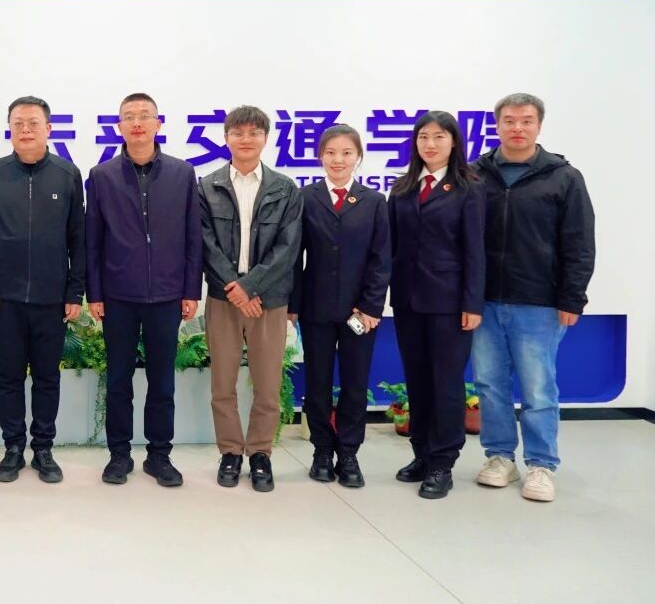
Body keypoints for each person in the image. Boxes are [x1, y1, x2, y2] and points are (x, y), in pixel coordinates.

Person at [471, 93, 595, 502]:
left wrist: (572, 298)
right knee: (489, 384)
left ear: (539, 125)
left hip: (539, 302)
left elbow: (579, 243)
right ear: (497, 125)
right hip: (484, 301)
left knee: (538, 389)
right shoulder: (476, 175)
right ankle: (500, 457)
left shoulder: (564, 177)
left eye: (526, 120)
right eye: (509, 120)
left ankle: (541, 464)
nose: (517, 128)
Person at [86, 93, 200, 488]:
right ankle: (119, 455)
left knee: (162, 382)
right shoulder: (102, 176)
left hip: (167, 295)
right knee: (119, 381)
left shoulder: (183, 174)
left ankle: (159, 455)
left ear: (158, 124)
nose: (137, 123)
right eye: (129, 117)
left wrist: (191, 290)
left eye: (145, 116)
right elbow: (92, 240)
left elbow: (193, 237)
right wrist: (95, 293)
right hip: (118, 295)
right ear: (119, 126)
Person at [0, 96, 85, 484]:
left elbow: (78, 237)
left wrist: (74, 291)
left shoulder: (67, 174)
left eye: (33, 123)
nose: (25, 130)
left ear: (48, 129)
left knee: (47, 377)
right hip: (5, 299)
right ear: (9, 129)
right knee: (8, 377)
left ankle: (43, 450)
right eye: (18, 123)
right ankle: (12, 449)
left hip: (52, 299)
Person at [199, 105, 302, 493]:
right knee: (222, 384)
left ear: (265, 138)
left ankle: (260, 453)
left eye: (254, 133)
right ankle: (230, 451)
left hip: (268, 301)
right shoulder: (207, 186)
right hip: (223, 299)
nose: (246, 139)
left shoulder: (285, 188)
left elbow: (288, 247)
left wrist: (251, 287)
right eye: (238, 132)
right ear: (226, 137)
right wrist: (235, 287)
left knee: (268, 385)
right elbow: (204, 243)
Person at [388, 111, 485, 500]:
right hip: (408, 300)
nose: (430, 144)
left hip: (449, 302)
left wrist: (472, 302)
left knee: (446, 383)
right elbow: (391, 246)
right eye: (423, 137)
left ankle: (442, 462)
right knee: (418, 380)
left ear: (454, 142)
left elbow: (475, 250)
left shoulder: (469, 188)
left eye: (439, 137)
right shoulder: (403, 188)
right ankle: (422, 454)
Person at [288, 124, 390, 488]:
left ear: (358, 157)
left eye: (346, 153)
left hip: (359, 312)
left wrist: (371, 306)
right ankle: (321, 451)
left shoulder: (374, 201)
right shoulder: (305, 197)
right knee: (316, 382)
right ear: (320, 157)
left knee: (354, 383)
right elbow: (294, 257)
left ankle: (348, 453)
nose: (338, 160)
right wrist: (293, 305)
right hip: (315, 309)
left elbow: (381, 259)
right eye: (330, 153)